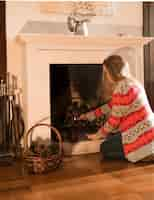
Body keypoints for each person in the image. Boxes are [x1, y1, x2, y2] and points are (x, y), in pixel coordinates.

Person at [79, 55, 154, 163]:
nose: (105, 75)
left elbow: (113, 122)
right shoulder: (132, 82)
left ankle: (145, 154)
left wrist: (98, 135)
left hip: (142, 141)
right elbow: (110, 105)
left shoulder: (121, 90)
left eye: (106, 72)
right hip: (150, 132)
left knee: (104, 148)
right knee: (114, 138)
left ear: (112, 71)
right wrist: (88, 116)